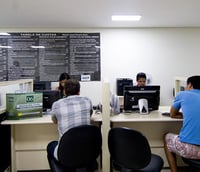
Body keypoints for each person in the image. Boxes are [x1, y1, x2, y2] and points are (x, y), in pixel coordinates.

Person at [47, 79, 93, 170]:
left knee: (51, 146)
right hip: (86, 151)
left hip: (65, 153)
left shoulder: (57, 105)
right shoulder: (87, 101)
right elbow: (90, 114)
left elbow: (54, 121)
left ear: (64, 91)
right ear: (79, 91)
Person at [163, 75, 200, 172]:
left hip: (190, 150)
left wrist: (184, 114)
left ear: (190, 85)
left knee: (166, 137)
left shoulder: (182, 94)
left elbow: (172, 114)